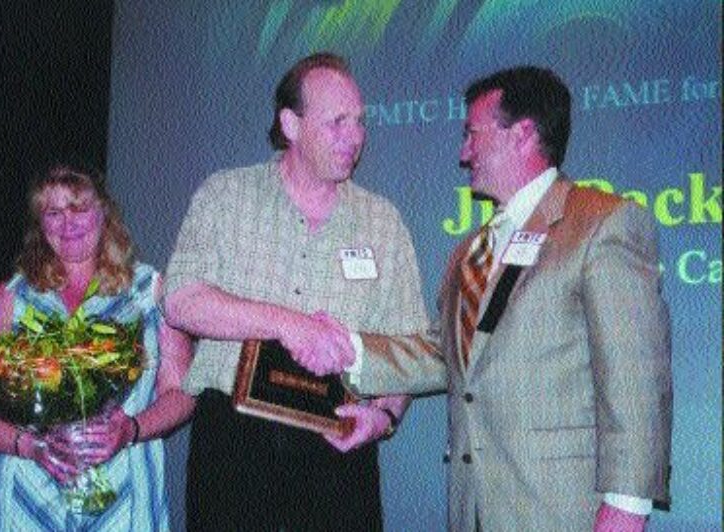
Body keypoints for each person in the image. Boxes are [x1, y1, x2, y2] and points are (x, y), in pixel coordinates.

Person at [346, 66, 672, 531]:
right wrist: (348, 350)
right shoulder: (471, 251)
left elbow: (635, 375)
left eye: (472, 134)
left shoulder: (603, 223)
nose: (463, 153)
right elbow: (449, 356)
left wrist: (627, 505)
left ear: (522, 135)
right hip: (474, 507)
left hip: (563, 509)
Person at [162, 52, 429, 531]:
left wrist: (384, 416)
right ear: (291, 124)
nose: (355, 137)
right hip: (235, 440)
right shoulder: (225, 197)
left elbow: (410, 344)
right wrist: (289, 324)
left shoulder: (383, 222)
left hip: (337, 442)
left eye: (360, 122)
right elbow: (182, 299)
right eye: (337, 122)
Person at [0, 164, 195, 531]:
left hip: (122, 495)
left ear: (104, 212)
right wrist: (29, 446)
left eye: (79, 208)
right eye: (54, 212)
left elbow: (182, 394)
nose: (69, 223)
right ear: (40, 224)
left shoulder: (149, 290)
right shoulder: (13, 296)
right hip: (21, 495)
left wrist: (130, 429)